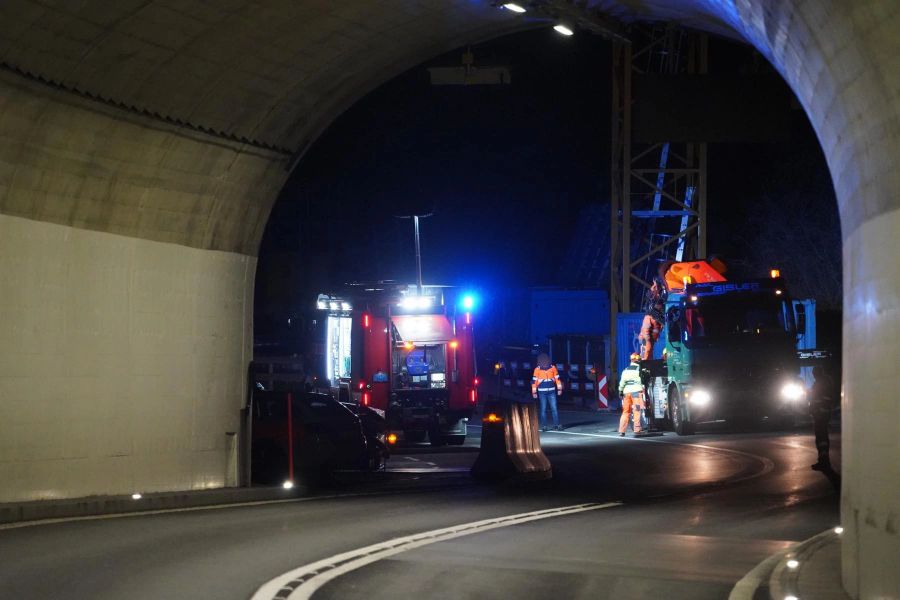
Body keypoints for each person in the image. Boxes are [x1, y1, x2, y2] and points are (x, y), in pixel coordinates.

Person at [640, 262, 672, 360]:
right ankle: (647, 360)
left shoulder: (662, 296)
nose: (652, 288)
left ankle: (647, 360)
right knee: (648, 340)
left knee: (650, 341)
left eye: (654, 285)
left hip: (657, 321)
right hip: (654, 320)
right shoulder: (654, 299)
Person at [809, 365, 836, 470]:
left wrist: (815, 409)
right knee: (822, 438)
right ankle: (823, 460)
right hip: (822, 413)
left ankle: (823, 461)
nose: (813, 375)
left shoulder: (820, 384)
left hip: (820, 414)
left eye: (814, 373)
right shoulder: (825, 382)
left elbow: (820, 399)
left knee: (821, 438)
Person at [532, 353, 562, 431]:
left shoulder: (553, 368)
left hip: (552, 391)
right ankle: (544, 426)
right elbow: (534, 382)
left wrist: (559, 389)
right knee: (543, 409)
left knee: (554, 408)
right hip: (542, 392)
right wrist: (534, 392)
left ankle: (556, 425)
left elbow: (557, 379)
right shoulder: (537, 369)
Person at [618, 353, 645, 436]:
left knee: (626, 412)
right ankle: (637, 429)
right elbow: (643, 381)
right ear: (638, 360)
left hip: (626, 393)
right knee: (636, 410)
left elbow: (622, 383)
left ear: (631, 360)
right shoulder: (640, 369)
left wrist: (620, 391)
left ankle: (622, 431)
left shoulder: (625, 370)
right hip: (636, 393)